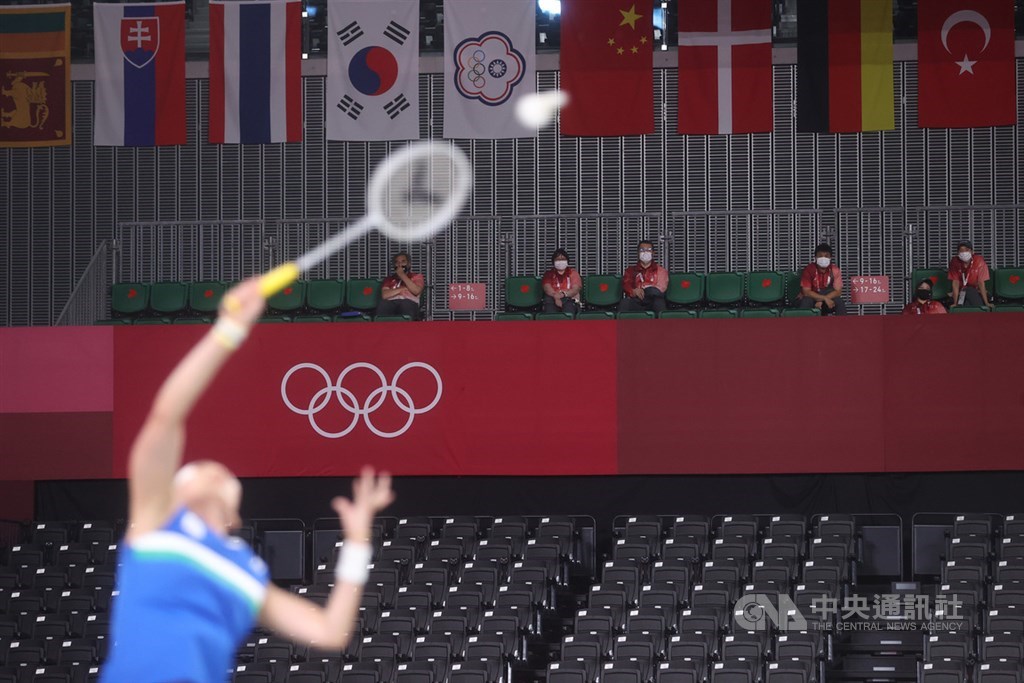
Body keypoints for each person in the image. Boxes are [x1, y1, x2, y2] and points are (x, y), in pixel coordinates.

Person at [101, 279, 394, 683]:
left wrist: (359, 542)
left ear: (233, 519)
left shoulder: (245, 572)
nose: (209, 469)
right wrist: (228, 331)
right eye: (194, 469)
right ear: (176, 493)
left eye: (218, 471)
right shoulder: (155, 522)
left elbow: (330, 631)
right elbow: (166, 415)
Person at [618, 240, 668, 315]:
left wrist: (645, 291)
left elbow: (660, 289)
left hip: (653, 301)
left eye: (649, 250)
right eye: (642, 250)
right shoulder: (630, 271)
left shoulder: (661, 271)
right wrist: (633, 291)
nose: (645, 252)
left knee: (659, 303)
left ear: (653, 253)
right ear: (638, 253)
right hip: (636, 300)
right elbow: (626, 284)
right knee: (625, 303)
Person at [797, 244, 847, 315]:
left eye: (826, 256)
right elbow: (806, 292)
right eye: (820, 256)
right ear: (815, 257)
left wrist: (825, 299)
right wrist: (824, 298)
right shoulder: (808, 270)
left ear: (830, 258)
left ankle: (842, 324)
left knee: (839, 301)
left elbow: (838, 291)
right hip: (812, 298)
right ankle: (802, 325)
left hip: (829, 298)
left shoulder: (835, 270)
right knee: (806, 301)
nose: (823, 258)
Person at [376, 251, 425, 320]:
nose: (399, 264)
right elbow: (385, 295)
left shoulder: (416, 276)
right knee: (383, 304)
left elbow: (416, 291)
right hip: (391, 303)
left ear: (409, 264)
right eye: (397, 262)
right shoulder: (389, 279)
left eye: (403, 262)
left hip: (409, 302)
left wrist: (402, 275)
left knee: (405, 304)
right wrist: (401, 289)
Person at [948, 240, 993, 310]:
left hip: (977, 292)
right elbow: (955, 283)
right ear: (958, 253)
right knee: (967, 293)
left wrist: (986, 302)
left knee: (968, 299)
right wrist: (955, 302)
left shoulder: (979, 261)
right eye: (961, 251)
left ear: (972, 252)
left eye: (967, 250)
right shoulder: (954, 262)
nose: (964, 253)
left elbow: (981, 283)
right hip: (960, 292)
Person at [541, 248, 582, 315]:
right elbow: (547, 288)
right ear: (553, 262)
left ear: (567, 261)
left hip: (569, 298)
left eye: (563, 259)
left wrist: (563, 294)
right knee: (549, 306)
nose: (560, 262)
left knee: (569, 308)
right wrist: (556, 296)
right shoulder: (548, 274)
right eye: (557, 259)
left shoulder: (573, 273)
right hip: (552, 299)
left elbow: (575, 289)